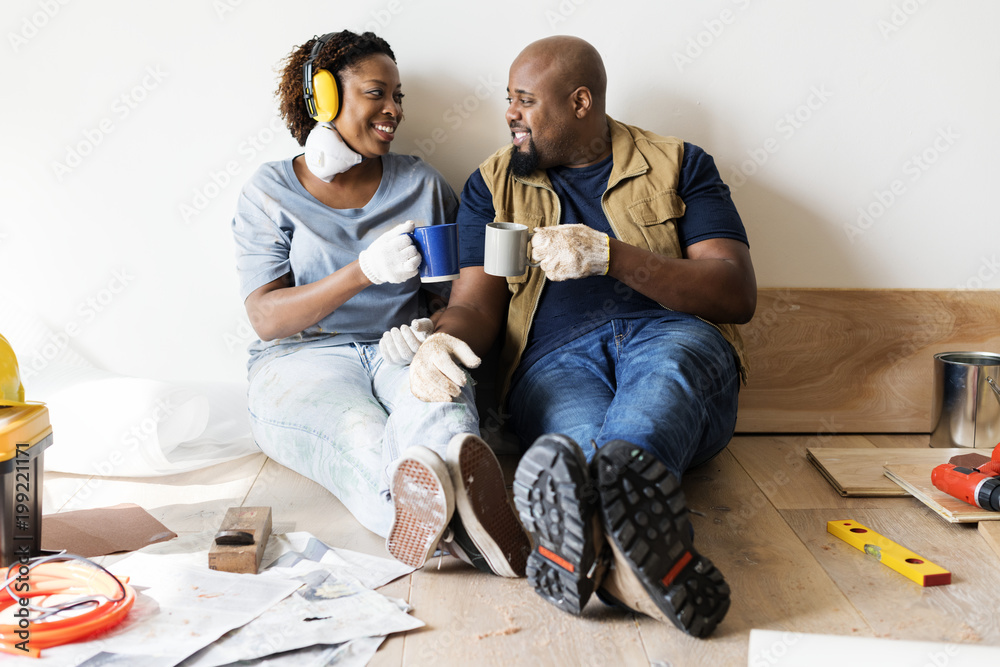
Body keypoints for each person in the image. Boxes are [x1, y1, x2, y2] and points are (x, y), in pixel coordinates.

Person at [407, 35, 756, 637]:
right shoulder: (491, 186)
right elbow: (475, 307)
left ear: (580, 102)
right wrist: (439, 337)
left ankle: (583, 544)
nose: (510, 114)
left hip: (672, 335)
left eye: (524, 101)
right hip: (555, 364)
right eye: (508, 100)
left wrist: (612, 257)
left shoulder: (680, 163)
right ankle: (638, 572)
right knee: (575, 448)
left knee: (659, 390)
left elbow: (734, 293)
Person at [230, 30, 529, 577]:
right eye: (377, 93)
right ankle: (450, 523)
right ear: (323, 97)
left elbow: (456, 298)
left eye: (399, 97)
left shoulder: (421, 184)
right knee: (359, 434)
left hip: (399, 346)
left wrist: (429, 332)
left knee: (439, 404)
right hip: (300, 361)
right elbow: (266, 318)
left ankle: (456, 516)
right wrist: (363, 271)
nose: (393, 110)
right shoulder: (270, 190)